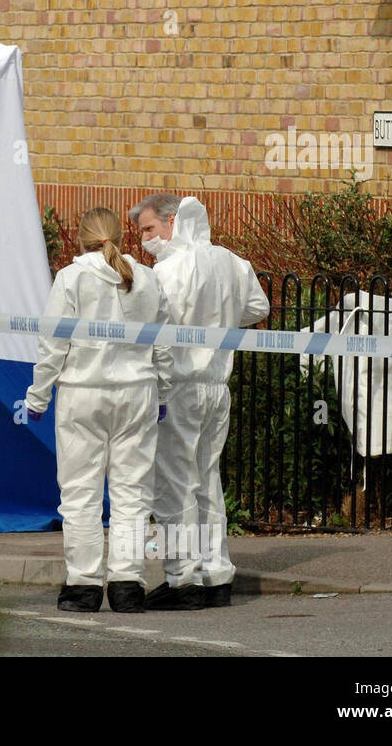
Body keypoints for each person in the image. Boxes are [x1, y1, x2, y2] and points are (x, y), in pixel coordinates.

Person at [24, 208, 173, 614]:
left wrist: (37, 398)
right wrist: (162, 395)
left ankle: (83, 586)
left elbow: (53, 344)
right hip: (136, 394)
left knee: (80, 495)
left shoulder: (70, 279)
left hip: (82, 394)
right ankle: (128, 585)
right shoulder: (146, 278)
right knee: (132, 493)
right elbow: (163, 345)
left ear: (80, 239)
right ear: (120, 238)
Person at [128, 193, 269, 610]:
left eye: (150, 229)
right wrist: (220, 318)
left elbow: (155, 320)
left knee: (175, 484)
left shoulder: (169, 270)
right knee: (208, 480)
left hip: (181, 384)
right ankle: (216, 573)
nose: (145, 241)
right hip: (217, 385)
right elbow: (258, 306)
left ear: (174, 221)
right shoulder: (232, 261)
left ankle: (182, 578)